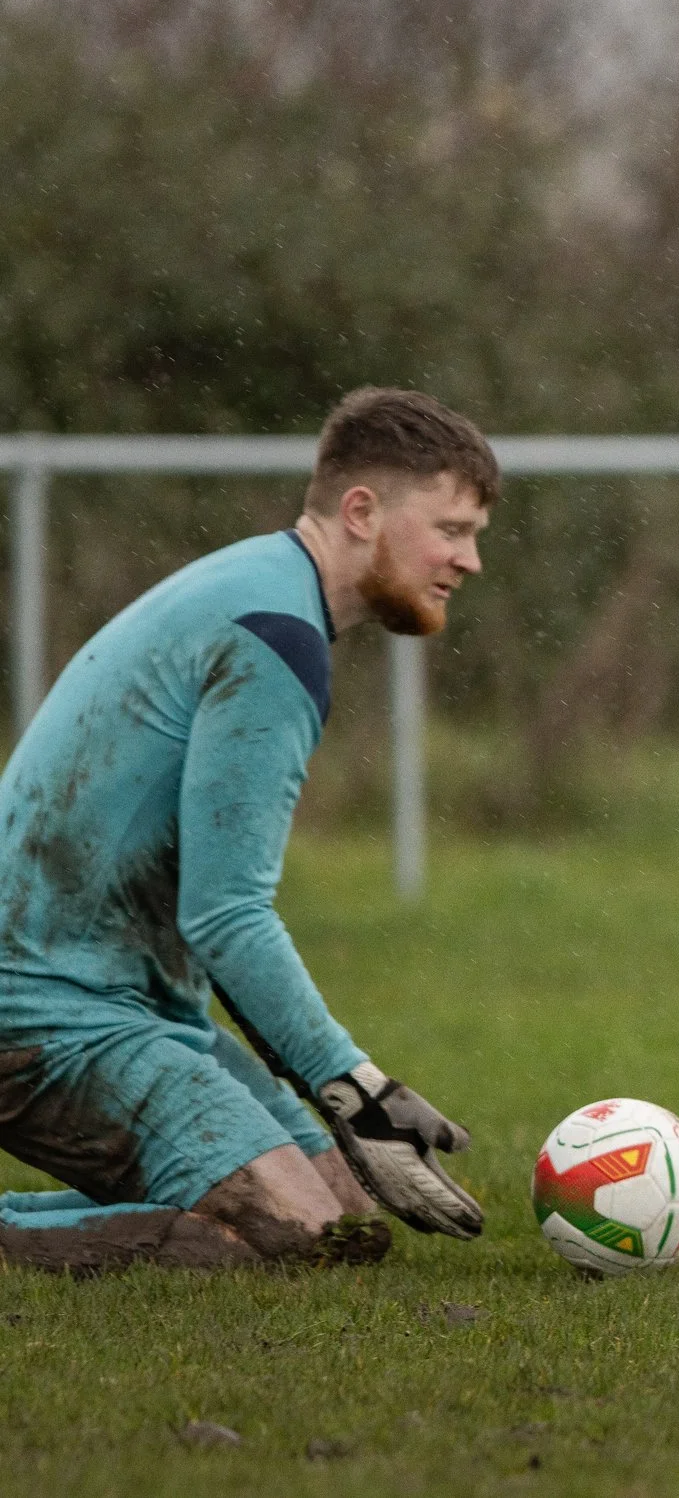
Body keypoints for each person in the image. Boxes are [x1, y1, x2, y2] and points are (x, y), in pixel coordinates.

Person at [0, 388, 496, 1273]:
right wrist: (359, 1090)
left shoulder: (265, 586)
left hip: (128, 1009)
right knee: (291, 1235)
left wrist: (335, 1097)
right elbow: (227, 915)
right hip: (42, 1016)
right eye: (453, 529)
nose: (470, 559)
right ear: (360, 512)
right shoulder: (275, 634)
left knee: (343, 1218)